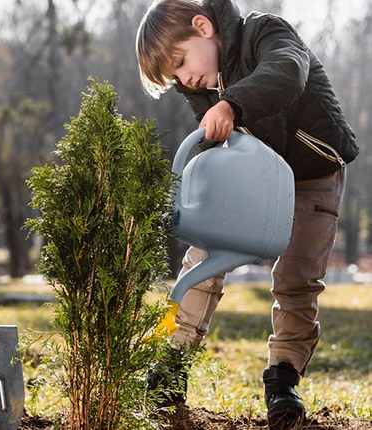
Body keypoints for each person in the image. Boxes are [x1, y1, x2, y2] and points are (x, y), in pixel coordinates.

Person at [135, 0, 358, 428]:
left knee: (297, 277)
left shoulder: (266, 32)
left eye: (181, 63)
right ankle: (172, 362)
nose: (185, 79)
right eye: (175, 77)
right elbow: (217, 145)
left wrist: (232, 105)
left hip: (314, 171)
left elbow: (288, 73)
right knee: (203, 259)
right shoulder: (199, 83)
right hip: (254, 179)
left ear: (203, 26)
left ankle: (283, 381)